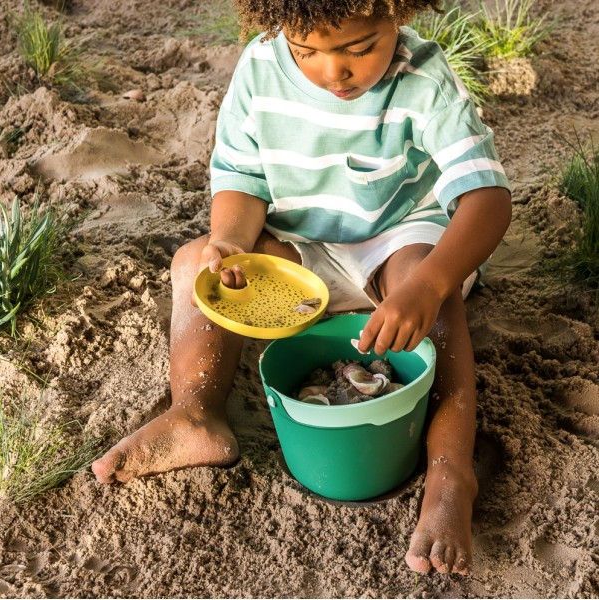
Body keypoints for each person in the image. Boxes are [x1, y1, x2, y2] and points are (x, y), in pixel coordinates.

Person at [92, 0, 512, 576]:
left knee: (427, 289)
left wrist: (432, 284)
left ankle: (449, 469)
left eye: (359, 50)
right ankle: (196, 413)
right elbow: (242, 179)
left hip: (401, 239)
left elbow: (487, 200)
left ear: (395, 13)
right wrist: (231, 241)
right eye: (306, 51)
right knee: (195, 265)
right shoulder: (260, 68)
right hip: (299, 250)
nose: (331, 73)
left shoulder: (423, 78)